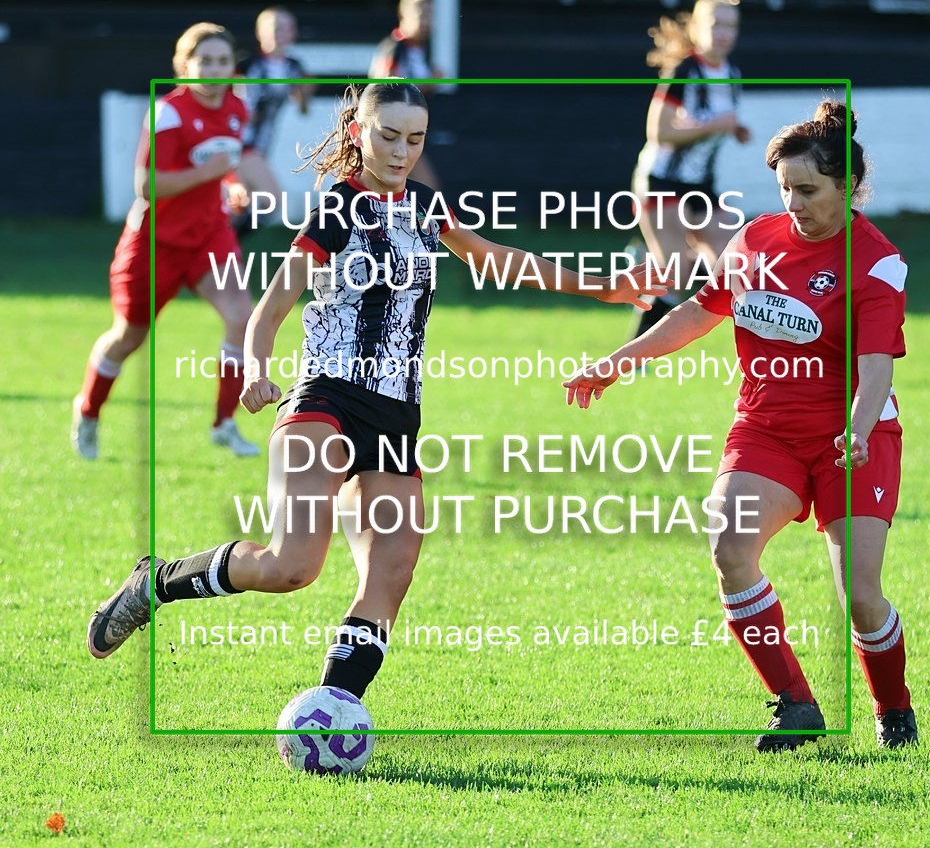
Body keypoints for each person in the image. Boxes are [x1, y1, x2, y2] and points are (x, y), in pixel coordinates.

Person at [86, 83, 666, 717]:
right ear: (358, 130)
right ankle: (158, 584)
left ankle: (333, 708)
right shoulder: (336, 209)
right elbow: (270, 309)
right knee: (291, 566)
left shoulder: (424, 205)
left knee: (389, 576)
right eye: (387, 135)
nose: (400, 151)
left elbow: (496, 259)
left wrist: (604, 288)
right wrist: (257, 370)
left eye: (414, 139)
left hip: (396, 415)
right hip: (325, 401)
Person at [565, 101, 918, 751]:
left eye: (808, 190)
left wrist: (859, 429)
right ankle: (795, 703)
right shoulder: (754, 240)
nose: (793, 203)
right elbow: (700, 312)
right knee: (730, 550)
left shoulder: (875, 263)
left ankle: (893, 709)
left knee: (860, 597)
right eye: (784, 188)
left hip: (853, 438)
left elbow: (876, 372)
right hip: (766, 431)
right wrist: (616, 363)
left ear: (848, 187)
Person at [72, 22, 259, 460]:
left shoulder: (237, 106)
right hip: (154, 242)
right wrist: (209, 173)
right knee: (128, 337)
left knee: (241, 317)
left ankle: (224, 423)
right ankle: (88, 411)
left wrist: (230, 184)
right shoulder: (167, 113)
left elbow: (223, 163)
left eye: (222, 61)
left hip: (209, 235)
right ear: (184, 67)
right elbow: (145, 186)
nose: (214, 70)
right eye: (204, 61)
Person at [630, 0, 750, 339]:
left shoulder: (731, 73)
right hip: (661, 181)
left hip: (700, 186)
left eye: (732, 26)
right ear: (696, 28)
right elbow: (658, 130)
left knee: (737, 261)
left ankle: (646, 267)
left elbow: (712, 120)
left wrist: (733, 129)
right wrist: (715, 126)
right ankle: (636, 351)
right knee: (676, 272)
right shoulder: (685, 70)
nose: (724, 33)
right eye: (716, 24)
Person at [235, 7, 313, 231]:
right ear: (260, 32)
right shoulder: (246, 65)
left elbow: (302, 105)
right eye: (275, 28)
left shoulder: (293, 67)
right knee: (270, 200)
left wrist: (306, 90)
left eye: (286, 28)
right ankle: (224, 248)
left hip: (261, 145)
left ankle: (219, 250)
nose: (280, 33)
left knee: (242, 205)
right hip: (240, 142)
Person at [369, 0, 443, 189]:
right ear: (403, 15)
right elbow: (385, 88)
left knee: (418, 192)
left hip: (406, 133)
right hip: (392, 133)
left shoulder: (418, 50)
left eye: (431, 16)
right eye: (422, 15)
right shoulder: (396, 48)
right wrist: (428, 83)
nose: (427, 22)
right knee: (427, 190)